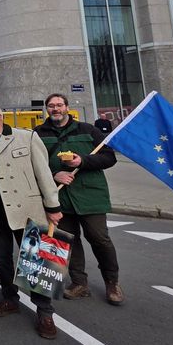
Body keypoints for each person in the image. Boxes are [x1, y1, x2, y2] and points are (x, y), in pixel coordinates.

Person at [0, 104, 62, 339]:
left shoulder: (26, 137)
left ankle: (45, 312)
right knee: (2, 258)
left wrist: (53, 206)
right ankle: (10, 298)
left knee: (35, 259)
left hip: (26, 208)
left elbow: (43, 172)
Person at [35, 93, 123, 305]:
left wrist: (81, 161)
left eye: (59, 105)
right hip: (59, 197)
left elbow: (109, 158)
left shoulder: (88, 130)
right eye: (51, 106)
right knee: (68, 241)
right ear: (47, 109)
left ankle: (112, 282)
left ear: (67, 107)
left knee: (100, 239)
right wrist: (53, 174)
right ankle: (79, 283)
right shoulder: (38, 133)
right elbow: (33, 164)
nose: (56, 109)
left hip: (90, 195)